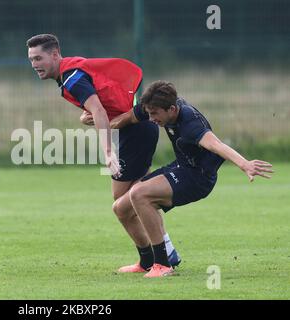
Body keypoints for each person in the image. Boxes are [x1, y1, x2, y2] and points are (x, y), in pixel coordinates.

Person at [26, 33, 181, 272]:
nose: (34, 65)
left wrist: (107, 152)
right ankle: (156, 256)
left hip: (136, 132)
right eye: (31, 59)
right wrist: (85, 113)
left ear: (55, 55)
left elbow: (98, 110)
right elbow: (98, 103)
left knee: (123, 201)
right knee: (137, 194)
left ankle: (161, 254)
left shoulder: (71, 78)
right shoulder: (71, 72)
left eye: (39, 58)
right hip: (136, 130)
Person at [110, 80, 273, 278]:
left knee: (139, 194)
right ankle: (146, 262)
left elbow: (216, 145)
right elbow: (127, 117)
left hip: (198, 178)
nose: (151, 118)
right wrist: (98, 118)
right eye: (149, 113)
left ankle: (162, 264)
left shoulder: (189, 121)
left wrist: (244, 164)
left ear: (171, 109)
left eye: (154, 114)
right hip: (181, 167)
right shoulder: (156, 105)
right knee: (120, 208)